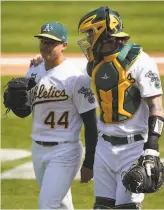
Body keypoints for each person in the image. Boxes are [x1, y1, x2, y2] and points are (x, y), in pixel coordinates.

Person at [77, 6, 164, 209]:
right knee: (102, 207)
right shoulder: (96, 62)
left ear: (102, 32)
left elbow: (157, 107)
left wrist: (151, 148)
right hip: (104, 148)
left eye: (90, 32)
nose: (88, 38)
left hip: (132, 148)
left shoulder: (140, 61)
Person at [26, 21, 98, 209]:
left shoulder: (76, 78)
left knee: (47, 205)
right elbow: (26, 110)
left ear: (64, 45)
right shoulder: (33, 70)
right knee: (62, 206)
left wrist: (89, 161)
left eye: (52, 42)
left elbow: (91, 123)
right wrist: (16, 103)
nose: (46, 46)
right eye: (43, 41)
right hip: (38, 148)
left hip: (64, 151)